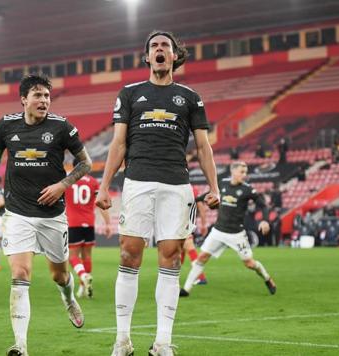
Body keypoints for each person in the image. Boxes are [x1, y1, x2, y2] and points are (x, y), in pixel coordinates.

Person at [95, 30, 220, 356]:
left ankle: (163, 342)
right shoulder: (130, 93)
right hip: (137, 181)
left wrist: (215, 187)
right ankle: (122, 340)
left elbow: (203, 147)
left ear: (175, 55)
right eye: (154, 47)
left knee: (172, 259)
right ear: (147, 57)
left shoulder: (191, 97)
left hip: (177, 186)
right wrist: (104, 185)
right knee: (128, 255)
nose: (160, 50)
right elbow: (118, 143)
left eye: (165, 45)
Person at [0, 74, 92, 356]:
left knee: (59, 275)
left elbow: (85, 163)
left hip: (52, 215)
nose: (44, 101)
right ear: (24, 99)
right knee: (20, 272)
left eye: (47, 96)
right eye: (38, 95)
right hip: (18, 213)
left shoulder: (62, 127)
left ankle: (68, 297)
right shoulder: (6, 125)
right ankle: (21, 345)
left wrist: (62, 185)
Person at [180, 162, 276, 298]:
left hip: (236, 234)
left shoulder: (247, 189)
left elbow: (263, 205)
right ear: (233, 171)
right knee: (202, 257)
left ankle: (267, 278)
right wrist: (196, 199)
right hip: (218, 231)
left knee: (249, 263)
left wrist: (265, 220)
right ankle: (186, 289)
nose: (244, 175)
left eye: (245, 172)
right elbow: (209, 194)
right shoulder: (223, 184)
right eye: (242, 172)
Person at [64, 160, 112, 298]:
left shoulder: (68, 181)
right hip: (89, 223)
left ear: (73, 167)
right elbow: (101, 203)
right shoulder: (93, 182)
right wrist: (108, 223)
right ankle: (83, 287)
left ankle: (83, 276)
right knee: (87, 256)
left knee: (72, 257)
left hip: (74, 223)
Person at [181, 185, 208, 285]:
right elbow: (201, 207)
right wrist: (204, 224)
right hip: (185, 223)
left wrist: (204, 224)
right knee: (180, 249)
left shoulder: (178, 187)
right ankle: (173, 274)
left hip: (183, 223)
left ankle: (200, 277)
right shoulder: (192, 188)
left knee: (188, 245)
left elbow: (200, 207)